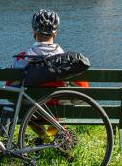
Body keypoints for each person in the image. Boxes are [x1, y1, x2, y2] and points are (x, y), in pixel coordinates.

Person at [5, 9, 88, 139]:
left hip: (32, 113)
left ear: (34, 32)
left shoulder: (21, 59)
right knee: (64, 100)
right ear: (55, 33)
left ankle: (45, 137)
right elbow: (84, 91)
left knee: (23, 104)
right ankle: (52, 134)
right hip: (57, 111)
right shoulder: (68, 62)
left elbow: (9, 92)